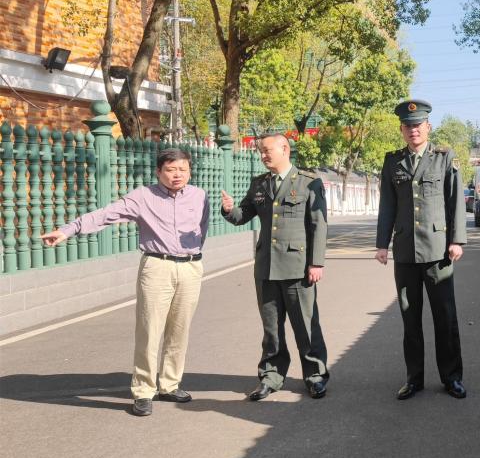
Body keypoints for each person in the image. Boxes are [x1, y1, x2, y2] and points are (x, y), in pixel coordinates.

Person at [41, 148, 209, 417]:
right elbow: (107, 214)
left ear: (189, 171)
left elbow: (203, 227)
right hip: (157, 266)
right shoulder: (143, 197)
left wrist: (194, 254)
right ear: (159, 172)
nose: (177, 175)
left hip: (191, 267)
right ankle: (144, 391)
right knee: (150, 330)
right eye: (170, 169)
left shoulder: (199, 196)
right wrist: (68, 230)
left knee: (180, 330)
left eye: (183, 169)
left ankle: (169, 384)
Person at [221, 133, 330, 401]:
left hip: (297, 266)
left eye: (267, 150)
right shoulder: (260, 184)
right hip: (266, 267)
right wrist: (229, 209)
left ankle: (315, 375)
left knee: (305, 325)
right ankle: (270, 376)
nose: (263, 155)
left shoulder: (308, 182)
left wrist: (316, 262)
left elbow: (318, 224)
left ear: (285, 149)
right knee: (271, 327)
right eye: (261, 151)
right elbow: (243, 215)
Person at [375, 99, 467, 401]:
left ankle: (452, 377)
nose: (413, 130)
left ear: (428, 127)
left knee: (445, 316)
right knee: (409, 318)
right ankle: (414, 378)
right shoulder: (392, 161)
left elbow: (454, 202)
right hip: (405, 251)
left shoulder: (444, 159)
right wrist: (381, 244)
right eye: (407, 126)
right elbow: (387, 205)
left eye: (418, 125)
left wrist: (457, 240)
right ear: (402, 130)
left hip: (439, 251)